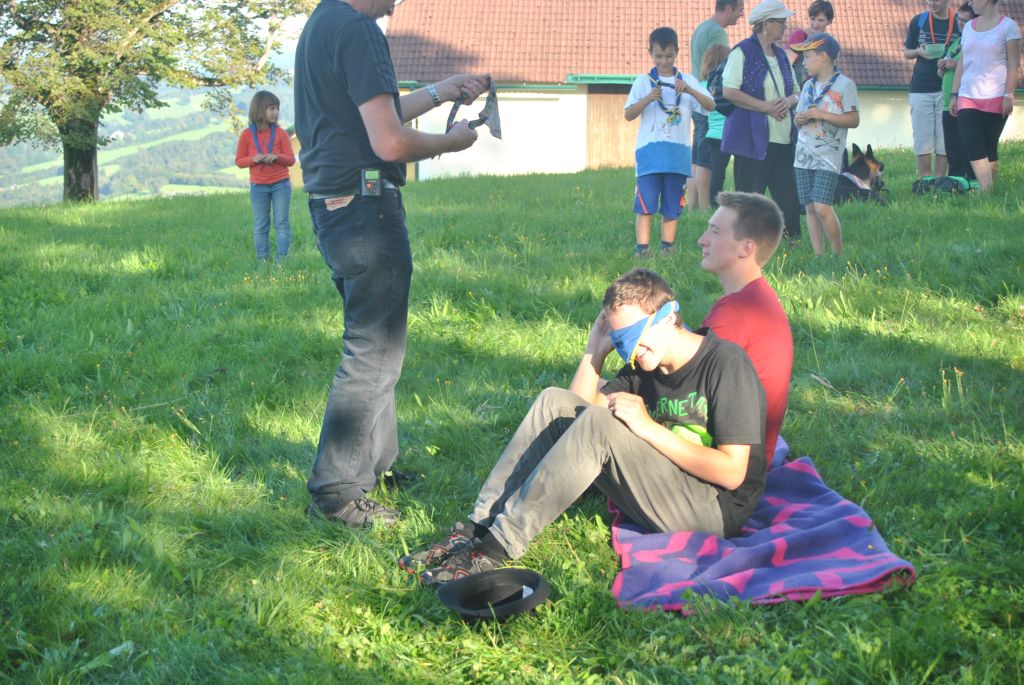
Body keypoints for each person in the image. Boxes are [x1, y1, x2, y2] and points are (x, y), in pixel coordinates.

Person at [400, 268, 767, 585]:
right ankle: (476, 528)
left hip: (712, 510)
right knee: (553, 401)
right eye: (620, 342)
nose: (630, 351)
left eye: (634, 337)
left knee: (598, 423)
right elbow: (573, 414)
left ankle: (495, 549)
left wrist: (647, 428)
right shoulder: (644, 364)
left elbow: (733, 473)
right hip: (663, 486)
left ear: (670, 317)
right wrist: (595, 350)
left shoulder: (725, 363)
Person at [294, 0, 490, 527]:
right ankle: (337, 493)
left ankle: (373, 467)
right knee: (374, 351)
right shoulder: (360, 30)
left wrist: (440, 91)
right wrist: (452, 143)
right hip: (365, 209)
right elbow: (389, 141)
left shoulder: (324, 22)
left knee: (377, 344)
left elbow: (373, 116)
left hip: (335, 207)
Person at [699, 192, 792, 468]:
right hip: (751, 452)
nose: (702, 240)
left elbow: (684, 395)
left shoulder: (736, 313)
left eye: (715, 232)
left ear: (745, 249)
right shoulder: (755, 297)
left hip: (731, 463)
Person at [625, 27, 714, 258]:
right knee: (645, 205)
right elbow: (629, 114)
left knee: (672, 206)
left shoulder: (688, 81)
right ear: (650, 53)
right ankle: (642, 249)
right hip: (650, 156)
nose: (664, 61)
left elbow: (710, 105)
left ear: (677, 53)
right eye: (658, 56)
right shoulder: (643, 82)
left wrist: (691, 91)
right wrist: (648, 99)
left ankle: (667, 247)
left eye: (669, 56)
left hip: (677, 156)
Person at [721, 0, 803, 241]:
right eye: (781, 22)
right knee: (750, 197)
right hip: (752, 139)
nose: (785, 26)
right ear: (766, 24)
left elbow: (797, 92)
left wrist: (788, 101)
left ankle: (793, 243)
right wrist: (765, 107)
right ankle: (744, 243)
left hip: (783, 139)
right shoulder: (742, 52)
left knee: (787, 196)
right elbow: (729, 91)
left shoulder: (783, 56)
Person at [792, 33, 860, 257]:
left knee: (822, 206)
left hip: (828, 157)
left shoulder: (845, 85)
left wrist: (822, 115)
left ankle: (837, 254)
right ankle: (819, 255)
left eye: (807, 56)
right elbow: (798, 119)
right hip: (803, 155)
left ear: (823, 57)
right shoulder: (807, 86)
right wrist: (799, 119)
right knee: (810, 207)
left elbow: (853, 119)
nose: (803, 62)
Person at [950, 0, 1021, 192]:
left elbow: (1013, 65)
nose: (971, 2)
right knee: (973, 144)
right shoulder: (968, 28)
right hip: (967, 96)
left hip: (996, 96)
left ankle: (988, 191)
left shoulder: (1009, 27)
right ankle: (986, 190)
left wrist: (1008, 93)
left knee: (989, 147)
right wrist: (954, 94)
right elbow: (962, 62)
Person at [689, 0, 746, 210]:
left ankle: (693, 205)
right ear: (728, 8)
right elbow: (723, 69)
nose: (741, 15)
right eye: (740, 10)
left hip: (698, 97)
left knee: (697, 157)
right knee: (706, 160)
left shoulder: (701, 28)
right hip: (710, 101)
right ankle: (706, 207)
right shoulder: (718, 33)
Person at [235, 91, 296, 262]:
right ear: (260, 110)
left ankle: (281, 261)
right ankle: (262, 262)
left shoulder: (281, 133)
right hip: (258, 187)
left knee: (282, 224)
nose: (276, 112)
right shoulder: (247, 135)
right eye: (271, 108)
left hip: (281, 185)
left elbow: (291, 160)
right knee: (261, 225)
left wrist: (277, 157)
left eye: (277, 108)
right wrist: (253, 159)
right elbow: (239, 161)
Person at [904, 0, 960, 178]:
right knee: (923, 139)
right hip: (920, 88)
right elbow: (906, 52)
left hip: (947, 89)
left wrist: (955, 64)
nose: (932, 3)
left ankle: (940, 180)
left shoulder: (959, 21)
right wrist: (918, 52)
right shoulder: (919, 20)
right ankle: (924, 181)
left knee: (944, 139)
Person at [939, 3, 980, 179]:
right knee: (952, 146)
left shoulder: (976, 42)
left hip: (965, 101)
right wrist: (942, 67)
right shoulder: (956, 41)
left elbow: (978, 69)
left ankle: (970, 180)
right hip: (948, 101)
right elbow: (941, 75)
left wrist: (957, 65)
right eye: (959, 19)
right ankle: (954, 181)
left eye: (965, 20)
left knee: (965, 145)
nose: (960, 23)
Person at [702, 44, 734, 206]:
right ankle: (718, 203)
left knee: (717, 172)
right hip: (729, 134)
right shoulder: (726, 85)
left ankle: (713, 203)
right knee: (737, 171)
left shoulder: (704, 85)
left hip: (712, 135)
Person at [785, 0, 836, 86]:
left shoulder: (828, 43)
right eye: (813, 19)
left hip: (817, 89)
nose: (815, 24)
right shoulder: (799, 36)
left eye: (821, 20)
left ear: (829, 21)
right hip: (797, 89)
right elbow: (785, 65)